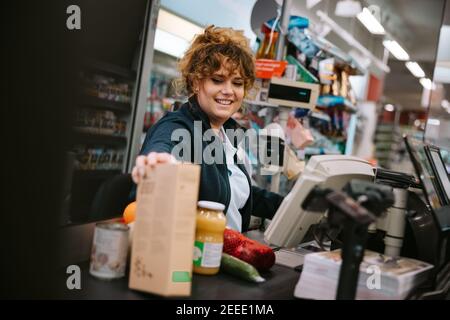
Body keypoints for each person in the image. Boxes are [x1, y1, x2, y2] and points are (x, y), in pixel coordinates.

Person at [131, 25, 283, 232]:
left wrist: (290, 205)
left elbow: (234, 192)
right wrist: (158, 163)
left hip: (228, 253)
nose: (228, 91)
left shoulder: (229, 135)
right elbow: (163, 144)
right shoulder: (179, 127)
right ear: (195, 82)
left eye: (237, 83)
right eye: (217, 80)